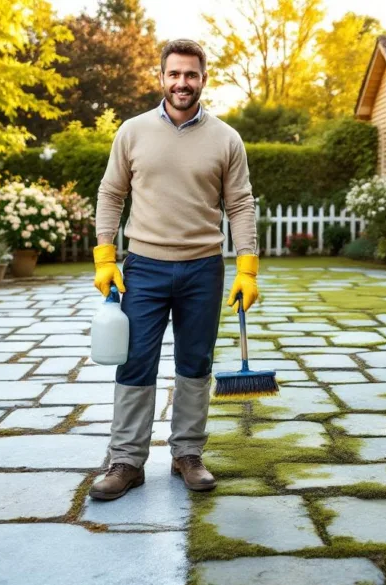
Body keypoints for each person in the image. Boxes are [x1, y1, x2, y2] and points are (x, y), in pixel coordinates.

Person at [89, 39, 260, 501]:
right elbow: (111, 194)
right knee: (135, 362)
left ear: (204, 79)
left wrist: (247, 266)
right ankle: (126, 461)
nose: (182, 82)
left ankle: (188, 454)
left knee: (195, 362)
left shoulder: (227, 138)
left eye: (191, 74)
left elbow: (240, 203)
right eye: (174, 74)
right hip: (144, 267)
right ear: (161, 77)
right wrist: (105, 256)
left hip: (203, 268)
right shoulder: (132, 132)